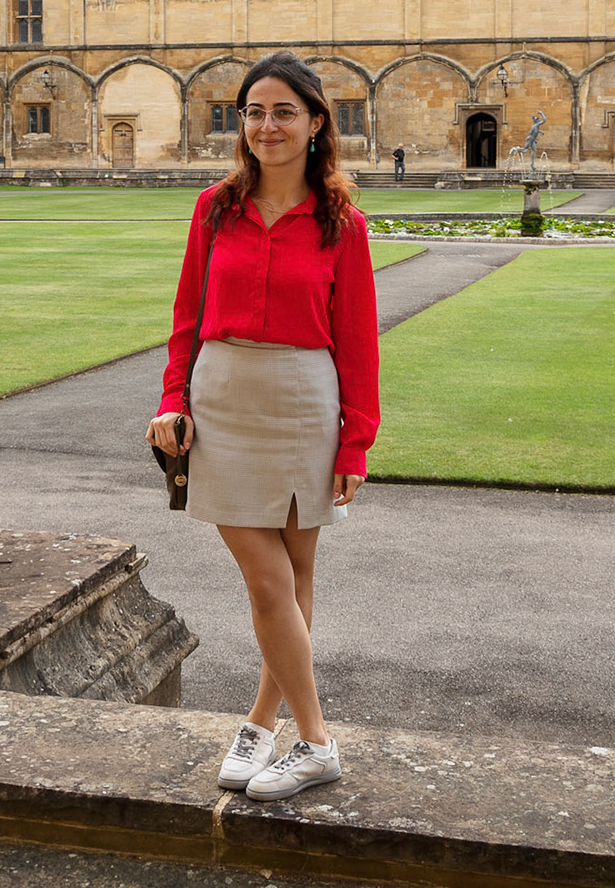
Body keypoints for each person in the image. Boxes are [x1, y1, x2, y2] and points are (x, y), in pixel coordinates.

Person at [146, 49, 380, 802]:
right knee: (268, 574)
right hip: (223, 397)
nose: (266, 125)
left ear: (315, 123)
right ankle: (312, 739)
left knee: (293, 574)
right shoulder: (215, 208)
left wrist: (356, 440)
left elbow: (359, 342)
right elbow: (186, 315)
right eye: (253, 112)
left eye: (283, 112)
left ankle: (265, 724)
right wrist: (172, 398)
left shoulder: (342, 223)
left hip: (305, 399)